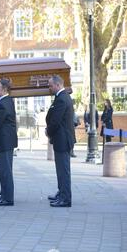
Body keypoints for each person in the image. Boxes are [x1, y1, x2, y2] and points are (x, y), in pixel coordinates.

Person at [45, 75, 75, 207]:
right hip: (61, 139)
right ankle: (61, 193)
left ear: (58, 85)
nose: (49, 88)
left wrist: (48, 131)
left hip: (63, 139)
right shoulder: (61, 97)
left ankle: (65, 198)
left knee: (63, 170)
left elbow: (56, 120)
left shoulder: (62, 98)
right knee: (61, 170)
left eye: (51, 85)